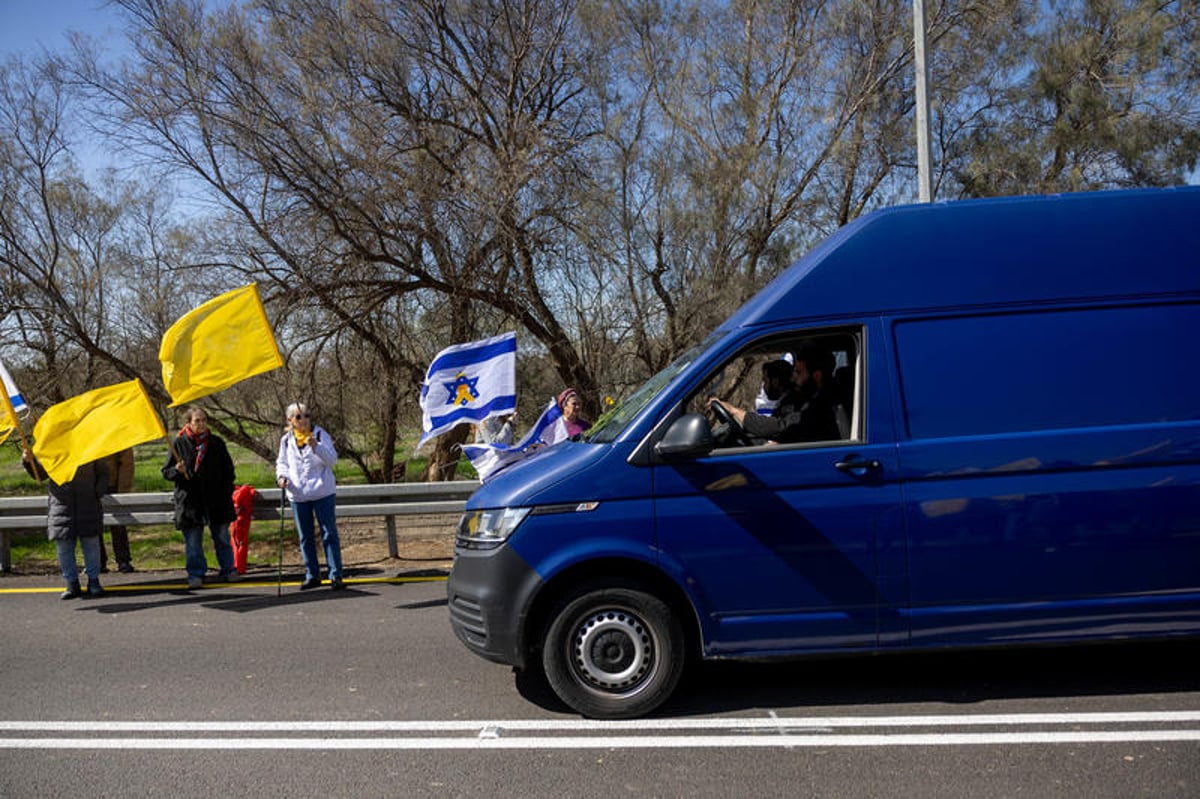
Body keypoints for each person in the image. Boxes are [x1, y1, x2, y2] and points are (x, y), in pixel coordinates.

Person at [161, 407, 238, 590]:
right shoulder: (178, 444)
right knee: (193, 542)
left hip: (216, 500)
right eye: (197, 421)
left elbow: (229, 471)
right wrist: (177, 471)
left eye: (204, 420)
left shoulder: (216, 443)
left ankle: (228, 569)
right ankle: (196, 573)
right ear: (188, 423)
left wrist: (225, 491)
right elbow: (166, 472)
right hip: (191, 502)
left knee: (222, 537)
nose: (201, 424)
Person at [709, 342, 841, 445]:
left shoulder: (821, 407)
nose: (793, 378)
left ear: (817, 376)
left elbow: (781, 426)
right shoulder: (810, 400)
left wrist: (735, 411)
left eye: (798, 373)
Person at [22, 448, 109, 599]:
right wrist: (29, 461)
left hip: (88, 504)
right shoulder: (52, 448)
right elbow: (40, 475)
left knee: (91, 545)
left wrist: (96, 492)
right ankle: (71, 583)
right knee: (64, 547)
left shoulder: (90, 447)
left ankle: (94, 581)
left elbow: (104, 473)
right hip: (61, 506)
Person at [275, 402, 345, 590]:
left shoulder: (321, 435)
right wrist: (282, 477)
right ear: (290, 420)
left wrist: (316, 447)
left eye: (306, 415)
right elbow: (282, 462)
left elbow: (332, 460)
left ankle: (335, 574)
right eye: (298, 417)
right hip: (298, 493)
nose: (303, 420)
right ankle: (312, 574)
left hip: (322, 491)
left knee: (329, 533)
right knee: (305, 536)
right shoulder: (286, 440)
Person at [99, 447, 136, 574]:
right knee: (92, 525)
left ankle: (123, 560)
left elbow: (127, 462)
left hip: (112, 485)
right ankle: (97, 562)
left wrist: (123, 492)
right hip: (89, 484)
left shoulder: (116, 431)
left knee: (119, 525)